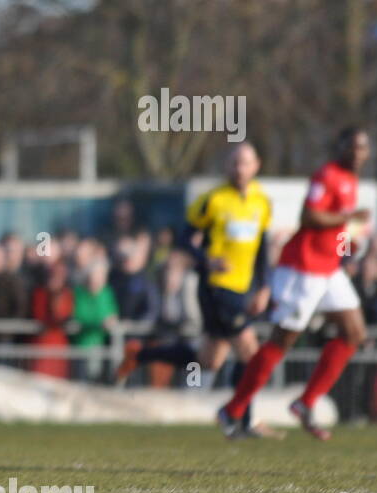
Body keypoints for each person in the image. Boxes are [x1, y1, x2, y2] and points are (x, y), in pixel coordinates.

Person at [219, 127, 372, 440]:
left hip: (329, 269)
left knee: (355, 332)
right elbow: (309, 216)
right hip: (302, 268)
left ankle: (305, 402)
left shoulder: (351, 181)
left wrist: (346, 251)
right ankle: (233, 409)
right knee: (281, 341)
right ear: (341, 147)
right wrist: (348, 218)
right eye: (353, 147)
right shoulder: (327, 175)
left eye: (364, 148)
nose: (359, 153)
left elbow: (341, 228)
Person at [116, 145, 275, 432]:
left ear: (256, 166)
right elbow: (185, 240)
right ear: (227, 167)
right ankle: (242, 418)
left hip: (242, 289)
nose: (240, 168)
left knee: (209, 360)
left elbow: (262, 249)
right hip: (216, 288)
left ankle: (139, 354)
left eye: (245, 163)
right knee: (252, 355)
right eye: (235, 163)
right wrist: (207, 260)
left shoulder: (262, 203)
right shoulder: (212, 200)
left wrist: (264, 287)